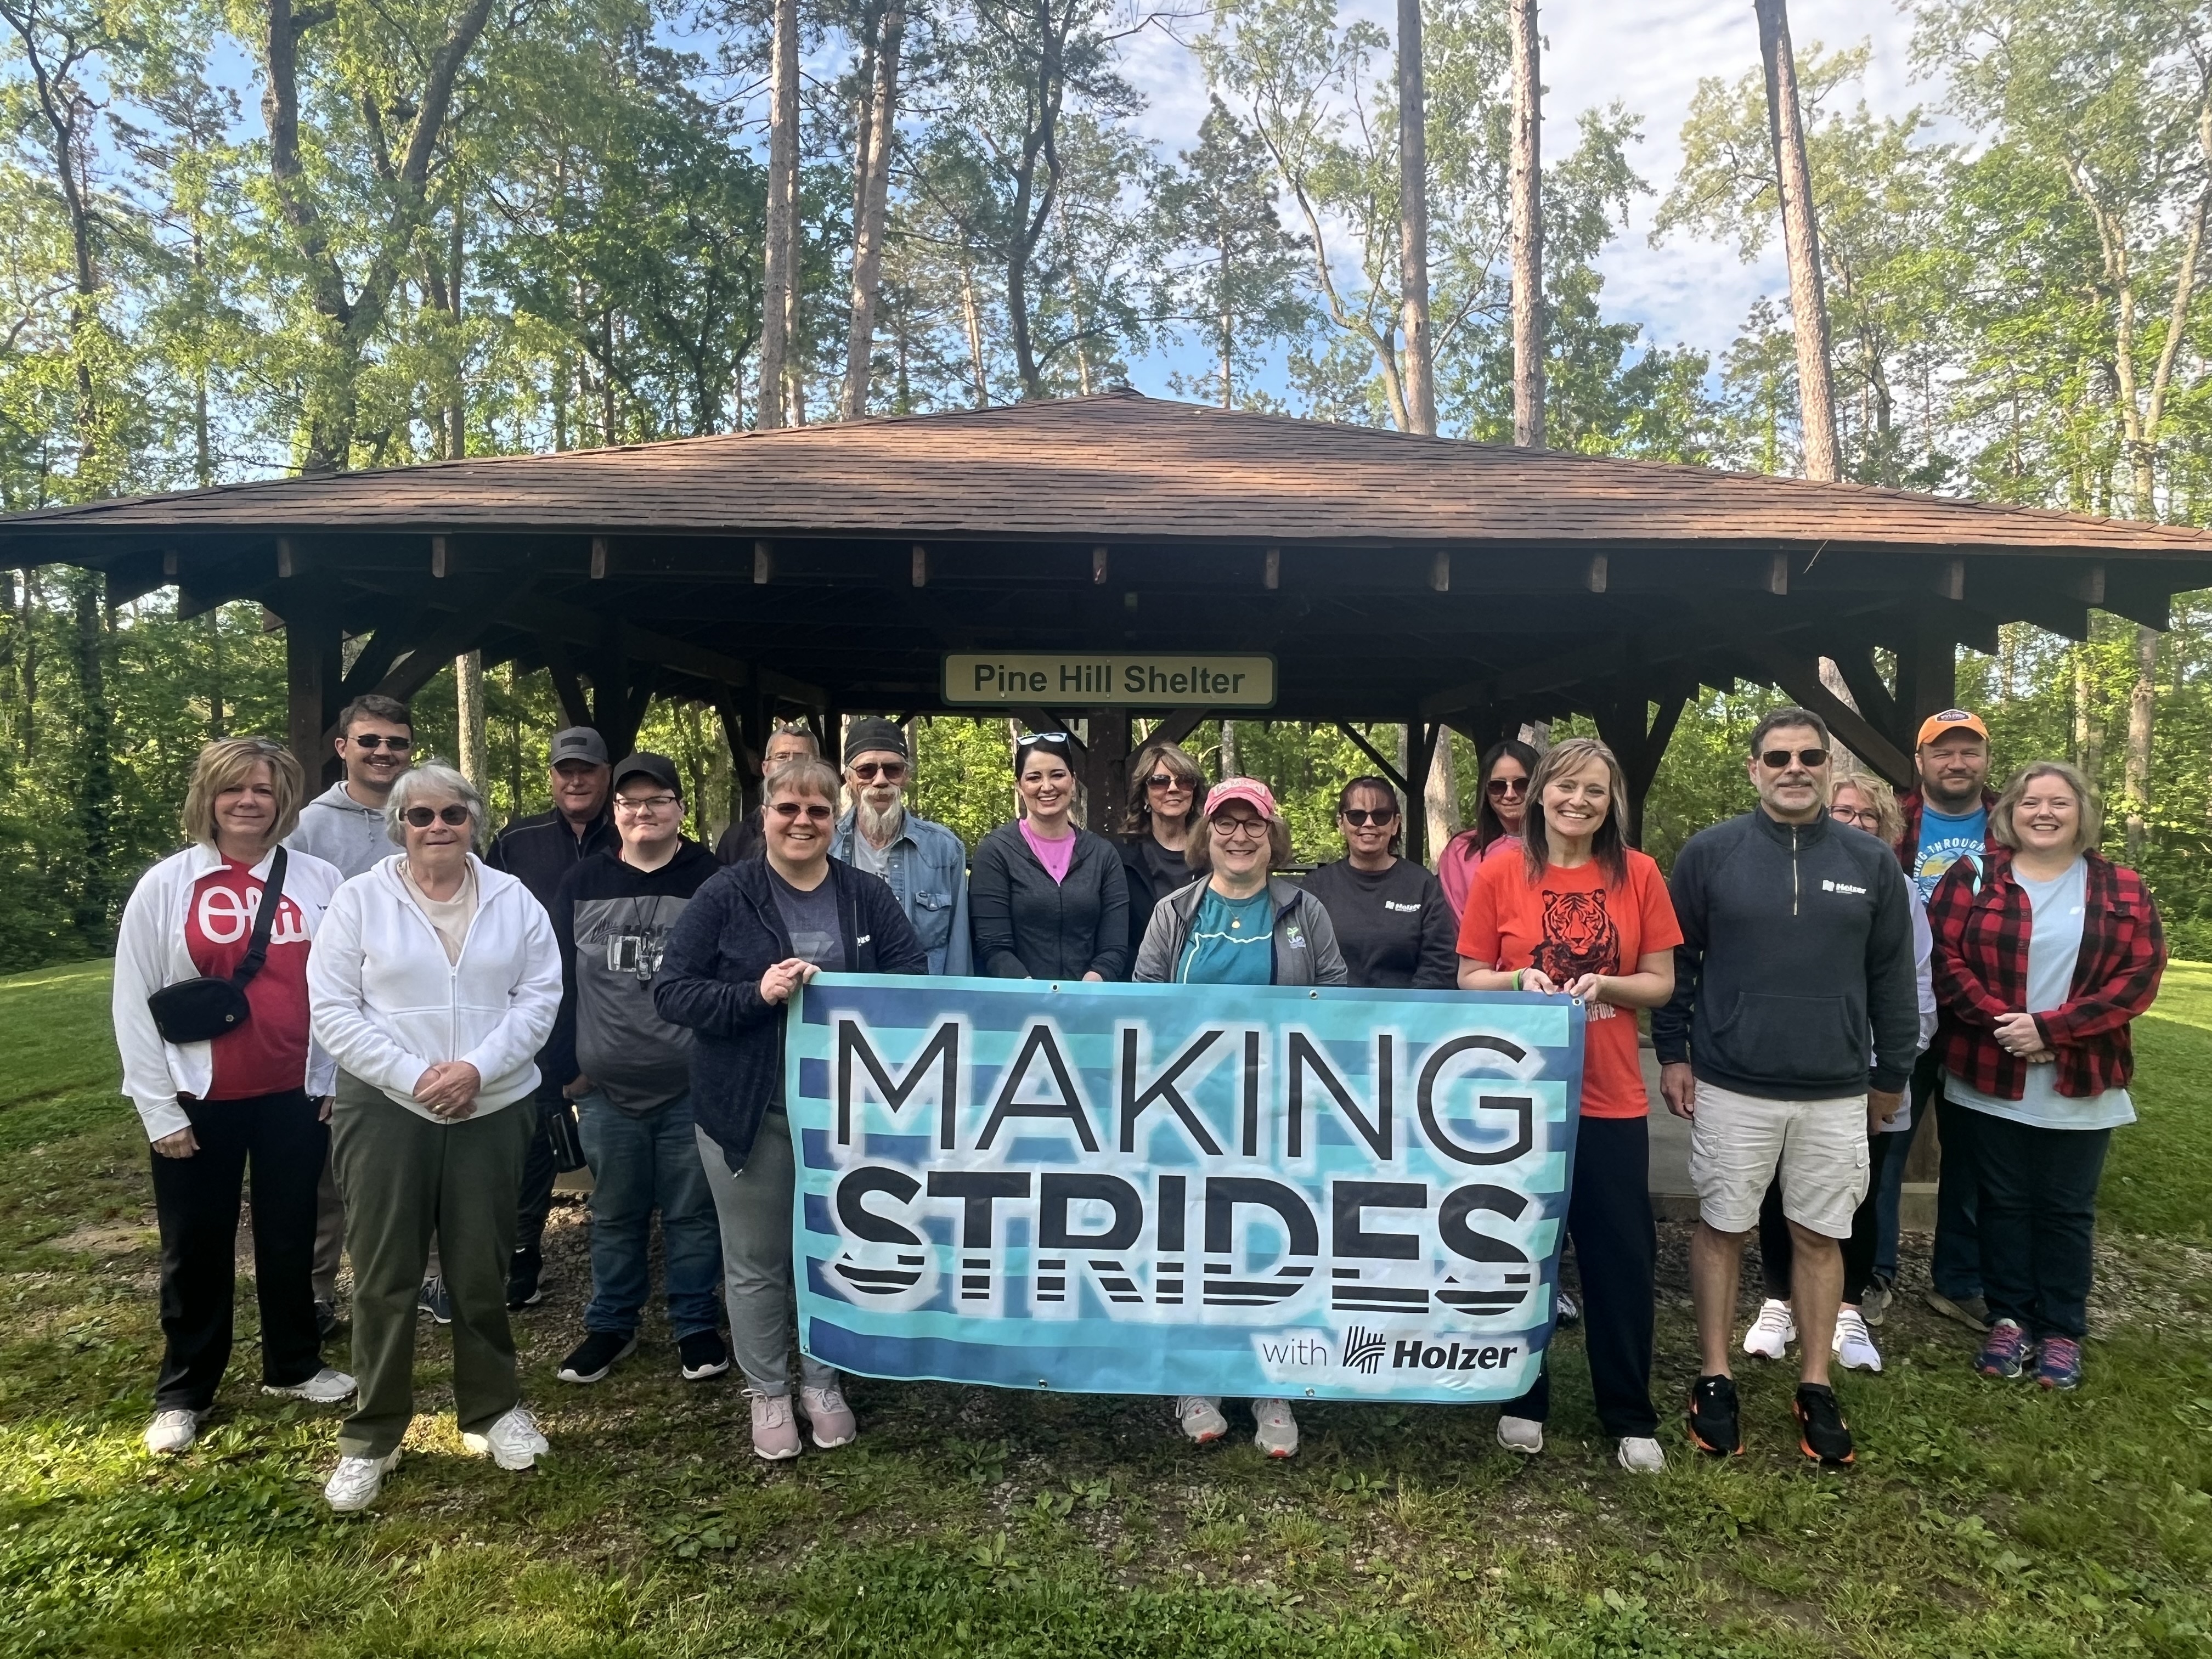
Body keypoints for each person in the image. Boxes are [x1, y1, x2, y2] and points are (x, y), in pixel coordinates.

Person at [1655, 709, 1917, 1468]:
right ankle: (1713, 1375)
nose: (1794, 768)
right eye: (1778, 757)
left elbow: (1892, 980)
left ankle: (1815, 1381)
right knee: (1723, 1225)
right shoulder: (1710, 855)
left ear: (1828, 767)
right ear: (1754, 768)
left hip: (1836, 1086)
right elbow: (1680, 968)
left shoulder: (1871, 864)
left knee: (1818, 1233)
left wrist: (1890, 1075)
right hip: (1734, 1080)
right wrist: (1673, 1055)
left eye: (1809, 756)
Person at [655, 756, 928, 1460]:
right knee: (755, 1260)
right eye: (788, 809)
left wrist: (844, 993)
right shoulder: (726, 893)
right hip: (748, 1109)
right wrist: (756, 993)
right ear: (765, 817)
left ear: (832, 820)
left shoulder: (866, 895)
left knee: (831, 1254)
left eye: (816, 811)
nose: (802, 822)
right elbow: (673, 992)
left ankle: (822, 1381)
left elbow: (912, 980)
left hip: (846, 1114)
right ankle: (768, 1390)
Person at [307, 764, 563, 1511]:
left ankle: (491, 1410)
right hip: (387, 1106)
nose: (438, 827)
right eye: (420, 816)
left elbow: (540, 995)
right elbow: (333, 1007)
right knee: (385, 1274)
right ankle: (373, 1435)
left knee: (479, 1268)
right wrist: (416, 1076)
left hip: (493, 1101)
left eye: (453, 813)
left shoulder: (515, 901)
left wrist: (477, 1068)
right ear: (400, 825)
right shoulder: (360, 901)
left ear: (473, 820)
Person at [113, 738, 356, 1457]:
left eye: (265, 790)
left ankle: (294, 1363)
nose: (249, 801)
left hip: (293, 1089)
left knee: (289, 1231)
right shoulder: (167, 885)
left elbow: (345, 987)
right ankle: (184, 1390)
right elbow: (134, 1000)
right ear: (208, 799)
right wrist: (158, 1108)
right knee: (196, 1245)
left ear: (285, 802)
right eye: (233, 790)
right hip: (199, 1095)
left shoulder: (319, 879)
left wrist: (334, 1077)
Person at [1456, 737, 1680, 1474]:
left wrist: (1607, 986)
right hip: (1520, 1104)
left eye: (1594, 790)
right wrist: (1520, 980)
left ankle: (1629, 1411)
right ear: (1540, 793)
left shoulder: (1640, 874)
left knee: (1621, 1260)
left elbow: (1660, 983)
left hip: (1611, 1098)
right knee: (1522, 1256)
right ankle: (1524, 1396)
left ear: (1612, 800)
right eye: (1565, 788)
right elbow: (1469, 979)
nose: (1578, 802)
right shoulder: (1499, 871)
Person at [1928, 763, 2164, 1391]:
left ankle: (2060, 1328)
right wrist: (2005, 1025)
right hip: (1990, 1069)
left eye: (2060, 802)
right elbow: (1943, 959)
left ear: (2083, 813)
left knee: (2065, 1209)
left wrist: (2052, 1030)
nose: (2044, 813)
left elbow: (2137, 980)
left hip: (2082, 1075)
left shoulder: (2122, 888)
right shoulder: (1974, 877)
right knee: (2000, 1203)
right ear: (2011, 812)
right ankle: (2009, 1318)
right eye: (2031, 801)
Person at [1135, 777, 1348, 1459]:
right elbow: (1141, 1002)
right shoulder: (1177, 911)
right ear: (1207, 834)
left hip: (1280, 1106)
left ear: (1271, 833)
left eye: (1251, 824)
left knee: (1274, 1245)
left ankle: (1272, 1383)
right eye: (1224, 824)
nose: (1238, 836)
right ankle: (1196, 1381)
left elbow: (1337, 996)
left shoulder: (1303, 910)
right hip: (1189, 1108)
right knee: (1195, 1244)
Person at [545, 753, 730, 1387]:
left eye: (657, 800)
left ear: (680, 807)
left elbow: (730, 977)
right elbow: (556, 981)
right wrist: (565, 1068)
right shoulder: (582, 882)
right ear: (614, 812)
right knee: (616, 1213)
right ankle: (611, 1325)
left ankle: (695, 1324)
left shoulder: (714, 878)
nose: (643, 812)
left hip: (690, 1086)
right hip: (604, 1088)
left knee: (692, 1213)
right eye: (630, 803)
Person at [1743, 771, 1937, 1375]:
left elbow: (1916, 988)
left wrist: (1891, 1071)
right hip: (1790, 1071)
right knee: (1780, 1192)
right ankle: (1778, 1303)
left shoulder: (1898, 889)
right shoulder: (1786, 879)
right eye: (1844, 813)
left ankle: (1848, 1311)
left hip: (1866, 1075)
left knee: (1858, 1198)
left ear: (1889, 829)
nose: (1855, 824)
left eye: (1868, 817)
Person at [286, 692, 416, 1340]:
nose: (383, 752)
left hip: (416, 1012)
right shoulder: (308, 827)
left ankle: (423, 1276)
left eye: (395, 742)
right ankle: (316, 1290)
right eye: (370, 741)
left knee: (420, 1152)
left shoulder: (426, 813)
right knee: (330, 1173)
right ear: (344, 748)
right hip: (335, 1014)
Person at [483, 725, 617, 1316]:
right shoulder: (517, 840)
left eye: (587, 769)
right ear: (552, 775)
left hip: (617, 1015)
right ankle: (521, 1259)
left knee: (621, 1141)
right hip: (535, 1013)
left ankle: (624, 1268)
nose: (576, 779)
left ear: (606, 774)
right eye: (566, 769)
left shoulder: (637, 831)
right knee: (534, 1139)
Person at [1894, 708, 2000, 1333]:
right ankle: (1872, 1276)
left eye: (1969, 752)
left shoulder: (2014, 825)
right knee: (1885, 1150)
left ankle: (1959, 1281)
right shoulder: (1893, 824)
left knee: (1974, 1155)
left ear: (1986, 759)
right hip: (1905, 1005)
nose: (1956, 763)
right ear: (1921, 762)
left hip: (1984, 1015)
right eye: (1942, 752)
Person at [970, 732, 1131, 981]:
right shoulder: (996, 851)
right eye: (1034, 777)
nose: (1047, 787)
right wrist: (1033, 993)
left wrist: (1093, 982)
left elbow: (1115, 947)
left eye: (1057, 775)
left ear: (1073, 782)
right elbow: (993, 946)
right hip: (1020, 1004)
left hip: (1089, 1002)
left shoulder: (1103, 855)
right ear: (1019, 786)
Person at [828, 716, 973, 975]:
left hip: (923, 1003)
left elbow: (959, 949)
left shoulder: (945, 849)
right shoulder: (826, 847)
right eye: (867, 770)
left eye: (892, 769)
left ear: (906, 776)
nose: (880, 781)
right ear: (848, 778)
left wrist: (955, 1006)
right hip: (844, 1003)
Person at [1300, 775, 1458, 990]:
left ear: (1395, 824)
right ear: (1341, 823)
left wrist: (1407, 1014)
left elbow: (1440, 964)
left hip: (1407, 1016)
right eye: (1356, 816)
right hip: (1332, 1013)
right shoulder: (1315, 888)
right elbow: (1300, 961)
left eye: (1381, 815)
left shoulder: (1422, 885)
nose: (1369, 824)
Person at [1117, 738, 1206, 958]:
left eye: (1185, 781)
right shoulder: (1120, 858)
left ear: (1194, 793)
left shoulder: (1214, 855)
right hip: (1139, 980)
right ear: (1145, 794)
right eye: (1160, 781)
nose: (1174, 788)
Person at [1438, 737, 1541, 922]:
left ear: (1539, 786)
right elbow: (1456, 922)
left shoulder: (1562, 847)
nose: (1510, 795)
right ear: (1485, 791)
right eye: (1498, 786)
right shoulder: (1462, 852)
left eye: (1522, 784)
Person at [715, 724, 822, 864]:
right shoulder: (736, 840)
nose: (789, 764)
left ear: (818, 768)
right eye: (781, 757)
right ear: (765, 768)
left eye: (800, 757)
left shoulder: (829, 833)